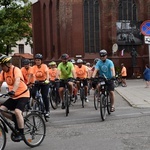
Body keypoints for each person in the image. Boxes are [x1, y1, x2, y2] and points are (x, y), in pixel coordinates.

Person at [0, 54, 30, 141]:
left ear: (8, 64)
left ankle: (21, 133)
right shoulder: (3, 73)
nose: (1, 67)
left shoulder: (16, 70)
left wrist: (13, 90)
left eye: (2, 65)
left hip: (23, 94)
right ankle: (16, 120)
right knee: (2, 109)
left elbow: (17, 81)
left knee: (17, 111)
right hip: (13, 97)